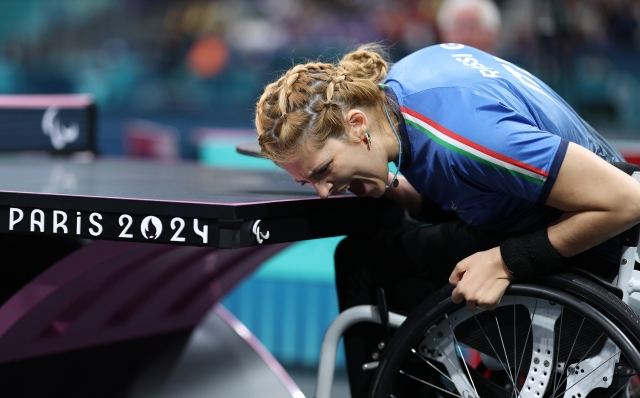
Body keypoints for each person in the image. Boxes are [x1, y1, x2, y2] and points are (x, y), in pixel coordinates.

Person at [254, 43, 640, 397]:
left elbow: (628, 202)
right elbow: (478, 185)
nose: (323, 191)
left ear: (357, 124)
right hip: (532, 222)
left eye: (324, 170)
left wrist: (505, 261)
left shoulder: (468, 137)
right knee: (384, 269)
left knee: (363, 267)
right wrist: (386, 186)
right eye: (310, 181)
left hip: (599, 257)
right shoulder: (405, 91)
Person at [437, 0, 502, 54]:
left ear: (492, 34)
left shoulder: (507, 68)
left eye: (473, 28)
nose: (465, 37)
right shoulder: (430, 67)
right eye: (459, 29)